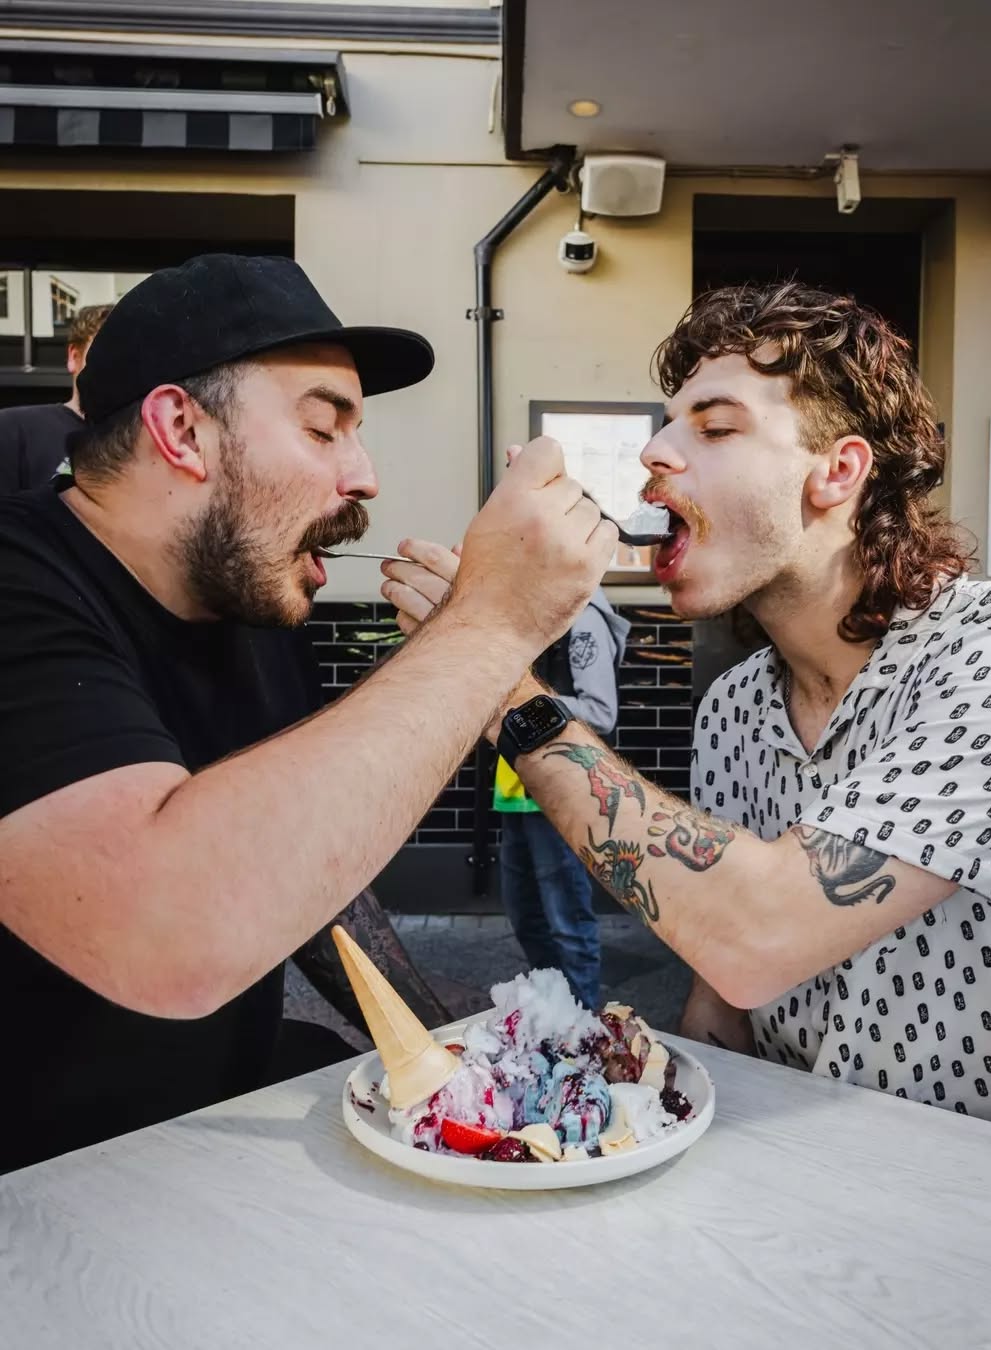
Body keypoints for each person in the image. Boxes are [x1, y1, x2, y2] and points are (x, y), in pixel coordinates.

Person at [387, 281, 991, 1145]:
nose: (655, 453)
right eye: (667, 426)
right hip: (795, 1175)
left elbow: (758, 933)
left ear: (839, 471)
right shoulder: (736, 705)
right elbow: (724, 999)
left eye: (715, 428)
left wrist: (499, 672)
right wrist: (635, 1125)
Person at [0, 253, 616, 1172]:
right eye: (324, 428)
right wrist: (491, 626)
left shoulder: (247, 603)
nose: (364, 477)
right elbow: (163, 931)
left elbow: (303, 875)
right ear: (182, 430)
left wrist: (443, 1049)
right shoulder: (20, 583)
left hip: (209, 1137)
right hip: (46, 1186)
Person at [495, 588, 628, 1008]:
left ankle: (584, 1024)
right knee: (527, 918)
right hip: (516, 791)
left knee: (567, 922)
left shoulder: (583, 618)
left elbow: (602, 712)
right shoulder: (537, 614)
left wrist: (520, 697)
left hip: (560, 795)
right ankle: (554, 1015)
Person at [0, 302, 113, 493]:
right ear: (74, 356)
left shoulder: (144, 441)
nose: (115, 366)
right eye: (105, 353)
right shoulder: (12, 429)